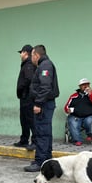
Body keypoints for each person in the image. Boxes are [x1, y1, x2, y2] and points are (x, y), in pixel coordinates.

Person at [24, 44, 59, 172]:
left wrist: (38, 103)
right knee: (45, 133)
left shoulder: (45, 66)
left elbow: (45, 87)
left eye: (32, 55)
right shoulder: (44, 65)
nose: (31, 58)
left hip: (44, 105)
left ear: (36, 55)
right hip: (45, 103)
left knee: (41, 133)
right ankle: (46, 159)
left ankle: (40, 162)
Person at [64, 78, 92, 146]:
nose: (85, 86)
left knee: (89, 121)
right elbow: (66, 106)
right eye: (83, 85)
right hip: (76, 115)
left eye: (87, 84)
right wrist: (68, 110)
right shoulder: (74, 96)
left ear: (89, 85)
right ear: (79, 86)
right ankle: (77, 140)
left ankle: (89, 134)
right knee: (72, 122)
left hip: (89, 115)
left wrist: (91, 94)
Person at [14, 44, 36, 151]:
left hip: (27, 96)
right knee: (24, 119)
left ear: (25, 53)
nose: (20, 55)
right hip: (24, 96)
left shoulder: (28, 65)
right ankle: (24, 140)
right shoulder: (26, 64)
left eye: (21, 52)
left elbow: (28, 79)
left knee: (30, 119)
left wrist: (21, 89)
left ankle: (35, 141)